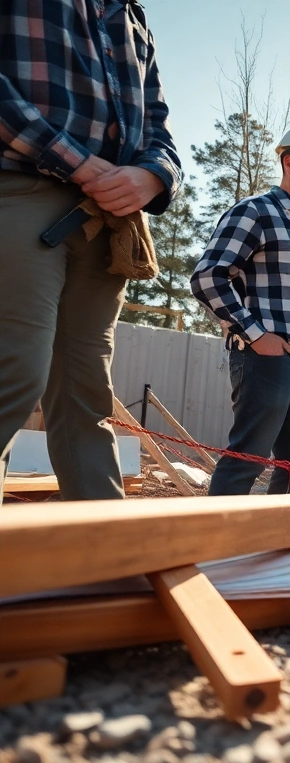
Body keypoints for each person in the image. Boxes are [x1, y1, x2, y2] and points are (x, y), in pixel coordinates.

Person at [0, 0, 181, 499]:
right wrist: (76, 162)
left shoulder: (133, 17)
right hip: (17, 190)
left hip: (105, 223)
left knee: (87, 395)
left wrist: (152, 176)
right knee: (13, 373)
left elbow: (158, 127)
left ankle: (107, 559)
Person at [191, 121, 290, 495]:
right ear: (288, 162)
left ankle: (269, 543)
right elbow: (207, 277)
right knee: (249, 456)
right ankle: (216, 549)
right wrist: (256, 335)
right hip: (266, 362)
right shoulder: (255, 212)